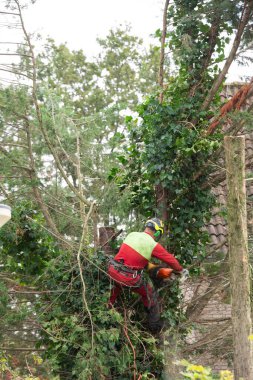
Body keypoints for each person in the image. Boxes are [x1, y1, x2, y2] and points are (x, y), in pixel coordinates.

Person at [107, 218, 184, 333]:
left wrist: (155, 268)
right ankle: (154, 326)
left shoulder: (132, 235)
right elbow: (170, 260)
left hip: (112, 270)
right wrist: (180, 270)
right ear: (157, 232)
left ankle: (106, 311)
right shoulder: (152, 244)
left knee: (115, 288)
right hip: (128, 278)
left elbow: (136, 259)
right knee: (149, 292)